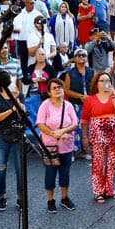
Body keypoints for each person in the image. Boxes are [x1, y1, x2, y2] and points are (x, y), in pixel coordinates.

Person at [80, 72, 115, 202]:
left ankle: (109, 189)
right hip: (98, 135)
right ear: (97, 83)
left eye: (108, 80)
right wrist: (84, 137)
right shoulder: (91, 99)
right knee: (99, 163)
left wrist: (114, 95)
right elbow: (84, 120)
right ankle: (98, 191)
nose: (105, 83)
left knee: (112, 163)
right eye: (102, 80)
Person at [36, 78, 79, 213]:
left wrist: (63, 131)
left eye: (59, 87)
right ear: (49, 92)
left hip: (66, 145)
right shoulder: (45, 105)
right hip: (50, 146)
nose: (57, 90)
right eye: (54, 88)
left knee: (65, 173)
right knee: (50, 174)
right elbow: (40, 124)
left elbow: (74, 123)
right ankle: (51, 200)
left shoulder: (68, 105)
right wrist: (53, 133)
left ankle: (65, 197)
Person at [0, 69, 29, 213]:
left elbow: (22, 114)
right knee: (1, 167)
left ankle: (20, 197)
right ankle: (2, 195)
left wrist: (17, 102)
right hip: (1, 136)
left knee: (20, 169)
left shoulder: (19, 95)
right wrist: (10, 110)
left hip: (17, 135)